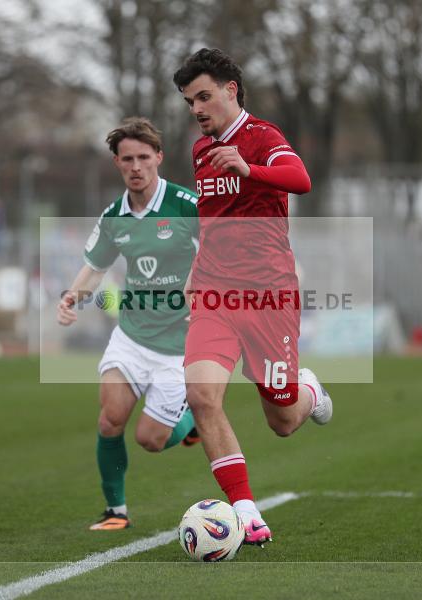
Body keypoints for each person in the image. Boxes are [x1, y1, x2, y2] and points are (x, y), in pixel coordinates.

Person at [173, 48, 333, 546]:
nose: (197, 109)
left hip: (268, 298)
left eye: (203, 97)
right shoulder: (201, 151)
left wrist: (248, 168)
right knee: (202, 396)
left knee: (282, 420)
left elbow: (301, 180)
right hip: (214, 294)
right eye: (189, 101)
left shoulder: (262, 137)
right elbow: (214, 219)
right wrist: (195, 270)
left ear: (231, 90)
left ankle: (309, 392)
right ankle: (246, 511)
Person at [57, 117, 201, 530]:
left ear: (158, 157)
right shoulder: (114, 216)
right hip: (132, 337)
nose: (136, 166)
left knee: (150, 440)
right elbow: (94, 268)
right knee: (110, 419)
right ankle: (115, 511)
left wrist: (198, 283)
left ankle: (190, 421)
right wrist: (72, 296)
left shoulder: (185, 205)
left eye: (143, 157)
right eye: (127, 159)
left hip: (180, 345)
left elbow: (222, 245)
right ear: (117, 163)